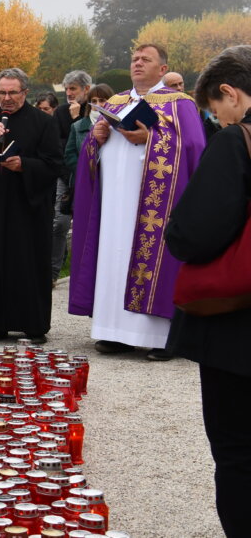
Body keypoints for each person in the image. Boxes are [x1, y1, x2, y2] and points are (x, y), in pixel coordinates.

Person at [69, 44, 205, 359]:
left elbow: (195, 147)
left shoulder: (179, 104)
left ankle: (160, 339)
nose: (138, 63)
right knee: (113, 258)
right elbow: (91, 150)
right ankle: (115, 332)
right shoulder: (116, 102)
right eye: (134, 59)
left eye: (146, 59)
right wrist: (96, 139)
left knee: (152, 260)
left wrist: (151, 139)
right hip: (114, 202)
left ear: (162, 69)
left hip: (155, 206)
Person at [164, 45, 251, 537]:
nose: (217, 121)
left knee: (239, 451)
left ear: (230, 93)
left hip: (238, 327)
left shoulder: (237, 141)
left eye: (217, 112)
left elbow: (193, 234)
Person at [0, 68, 62, 344]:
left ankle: (32, 324)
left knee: (26, 263)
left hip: (27, 207)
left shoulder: (43, 122)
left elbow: (54, 163)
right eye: (2, 92)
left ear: (25, 93)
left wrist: (25, 165)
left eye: (12, 92)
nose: (6, 98)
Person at [50, 71, 94, 286]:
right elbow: (59, 146)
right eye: (66, 89)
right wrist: (69, 174)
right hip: (65, 175)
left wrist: (78, 119)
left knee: (87, 223)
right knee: (60, 224)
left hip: (91, 176)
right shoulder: (60, 112)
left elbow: (89, 144)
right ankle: (52, 272)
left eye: (73, 89)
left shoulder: (95, 109)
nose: (68, 93)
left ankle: (85, 271)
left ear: (86, 89)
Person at [64, 84, 114, 175]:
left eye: (102, 100)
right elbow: (69, 156)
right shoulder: (77, 126)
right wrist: (85, 171)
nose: (98, 104)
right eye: (94, 101)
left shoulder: (117, 126)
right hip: (85, 179)